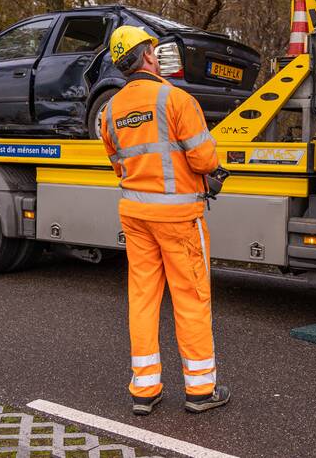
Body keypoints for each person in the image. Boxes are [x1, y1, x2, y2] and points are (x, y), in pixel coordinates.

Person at [99, 25, 231, 416]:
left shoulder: (109, 111)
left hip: (136, 215)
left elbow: (117, 163)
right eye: (154, 51)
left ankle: (145, 389)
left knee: (142, 300)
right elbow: (204, 160)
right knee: (190, 300)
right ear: (148, 57)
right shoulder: (176, 100)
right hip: (179, 218)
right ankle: (201, 390)